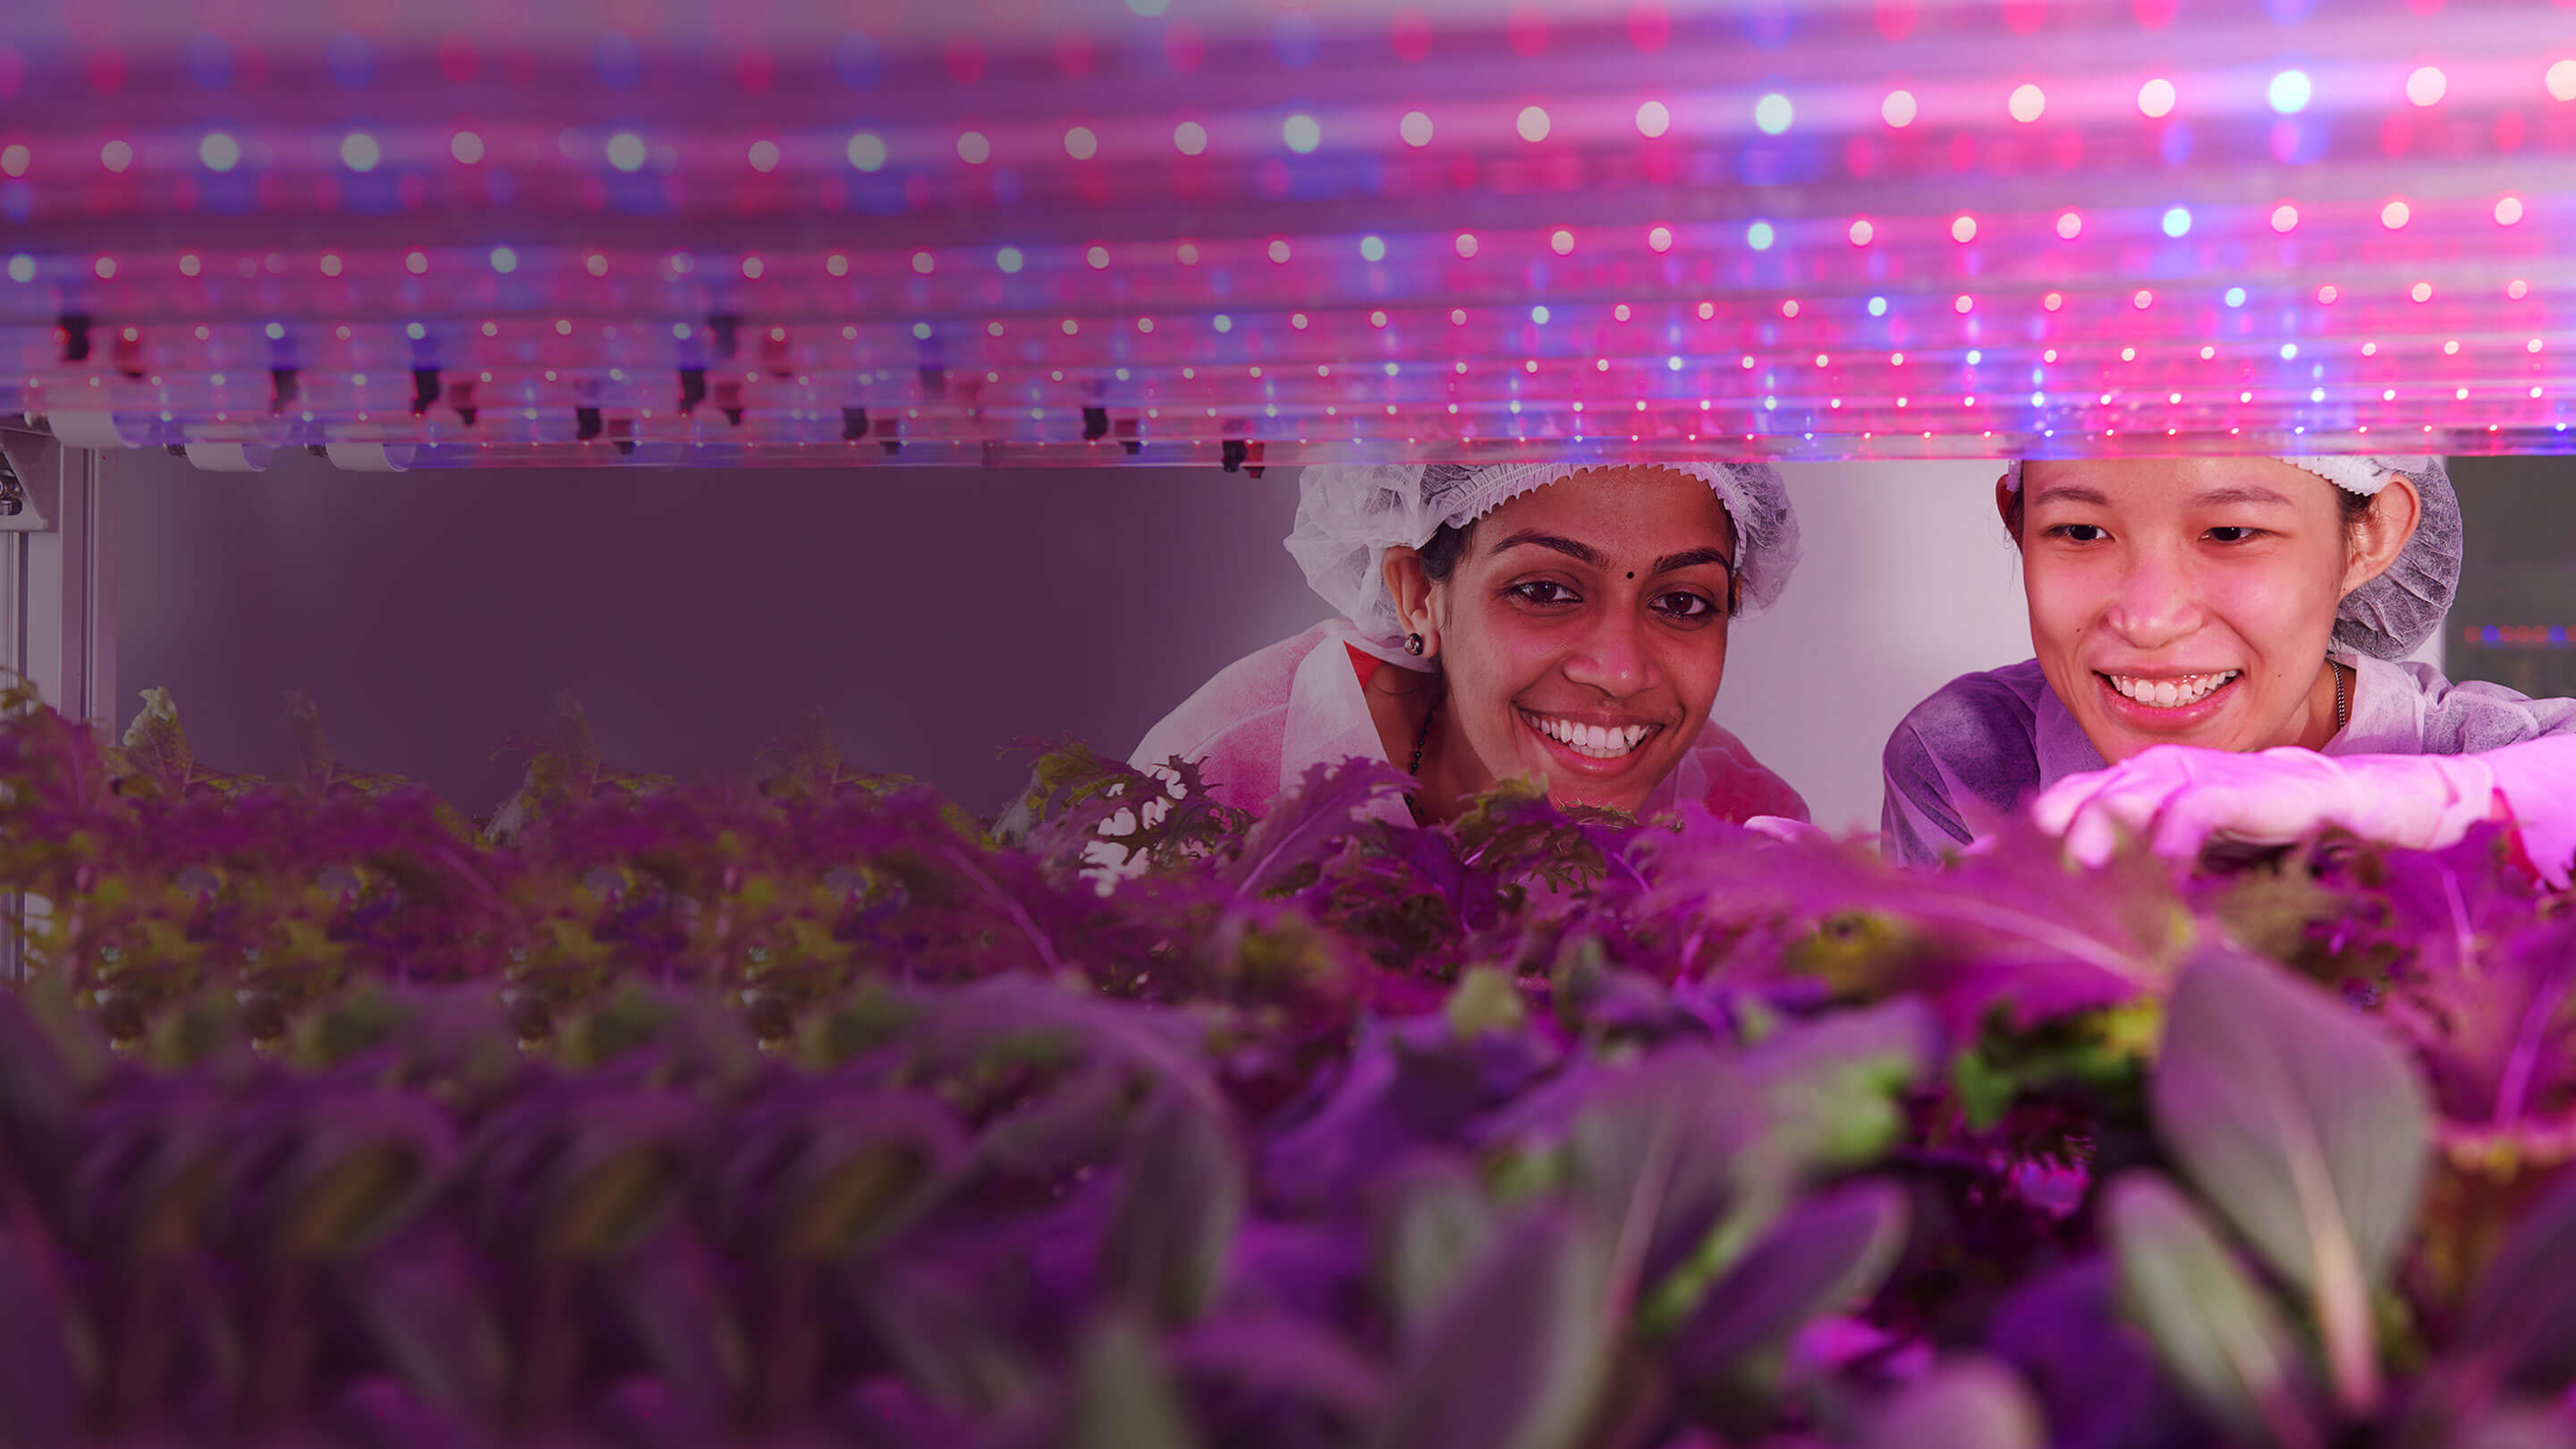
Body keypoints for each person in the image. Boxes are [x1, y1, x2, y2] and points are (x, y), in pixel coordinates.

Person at [1880, 455, 2576, 880]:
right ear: (2017, 522)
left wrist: (2398, 807)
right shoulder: (1970, 759)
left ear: (2369, 537)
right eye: (2081, 531)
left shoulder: (2485, 756)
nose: (2148, 620)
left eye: (2230, 532)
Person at [1131, 462, 1810, 830]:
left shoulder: (1747, 826)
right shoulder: (1220, 778)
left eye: (1681, 602)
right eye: (1545, 591)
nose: (1622, 672)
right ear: (1415, 594)